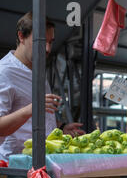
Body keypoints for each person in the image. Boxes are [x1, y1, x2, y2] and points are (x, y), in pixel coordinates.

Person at [0, 12, 85, 161]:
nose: (47, 49)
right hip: (13, 168)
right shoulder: (4, 72)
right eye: (40, 41)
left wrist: (60, 128)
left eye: (51, 42)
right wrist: (31, 109)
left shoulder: (37, 71)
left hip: (40, 164)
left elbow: (35, 119)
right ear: (21, 36)